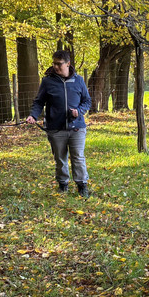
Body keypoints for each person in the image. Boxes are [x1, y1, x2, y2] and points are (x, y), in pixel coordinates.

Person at [26, 50, 92, 196]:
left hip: (76, 127)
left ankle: (82, 185)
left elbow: (87, 101)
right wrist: (33, 115)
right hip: (55, 128)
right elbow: (39, 101)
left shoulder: (78, 80)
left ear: (68, 64)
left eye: (59, 64)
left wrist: (79, 111)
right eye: (54, 63)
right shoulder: (47, 81)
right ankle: (63, 184)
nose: (55, 66)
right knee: (60, 159)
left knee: (78, 157)